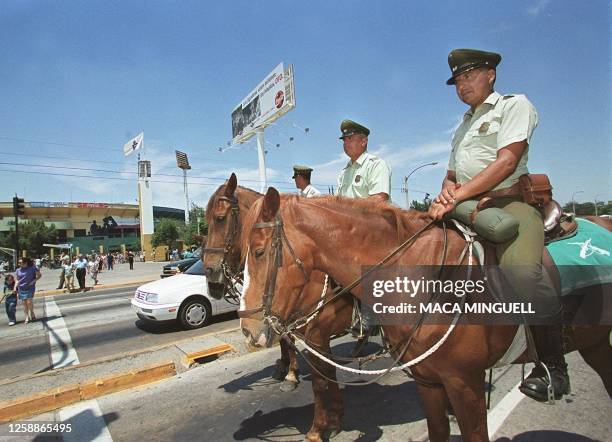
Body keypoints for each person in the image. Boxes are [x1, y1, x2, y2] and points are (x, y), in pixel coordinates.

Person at [428, 48, 569, 402]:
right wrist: (445, 197)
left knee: (521, 275)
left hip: (511, 204)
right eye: (458, 80)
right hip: (467, 206)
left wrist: (457, 197)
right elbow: (450, 176)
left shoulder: (514, 105)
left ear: (491, 74)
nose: (462, 85)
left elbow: (506, 162)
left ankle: (552, 367)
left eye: (470, 75)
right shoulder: (462, 125)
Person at [337, 119, 392, 353]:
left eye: (350, 139)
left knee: (367, 264)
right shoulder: (344, 172)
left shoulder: (376, 165)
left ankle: (371, 315)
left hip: (374, 228)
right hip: (349, 231)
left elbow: (379, 198)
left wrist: (349, 210)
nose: (346, 143)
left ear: (364, 140)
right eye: (344, 140)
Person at [15, 258, 41, 324]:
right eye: (19, 263)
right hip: (21, 288)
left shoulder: (32, 268)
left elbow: (39, 275)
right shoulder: (18, 270)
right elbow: (17, 280)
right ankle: (26, 316)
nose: (19, 264)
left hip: (30, 287)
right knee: (24, 303)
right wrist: (15, 287)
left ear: (26, 263)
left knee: (29, 302)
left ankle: (32, 313)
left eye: (21, 263)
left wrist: (33, 281)